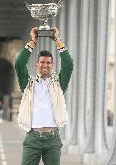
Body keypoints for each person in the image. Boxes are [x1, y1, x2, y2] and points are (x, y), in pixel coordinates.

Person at [15, 27, 73, 165]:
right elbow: (19, 63)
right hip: (32, 138)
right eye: (42, 62)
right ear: (37, 64)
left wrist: (57, 40)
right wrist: (32, 42)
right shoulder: (28, 84)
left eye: (48, 62)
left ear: (52, 65)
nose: (45, 65)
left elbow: (68, 64)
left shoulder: (59, 84)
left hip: (52, 139)